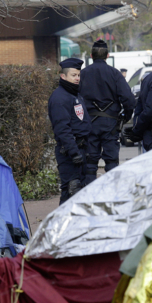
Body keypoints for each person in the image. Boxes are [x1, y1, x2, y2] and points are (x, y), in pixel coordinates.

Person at [80, 39, 135, 185]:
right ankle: (111, 194)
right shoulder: (115, 74)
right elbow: (128, 99)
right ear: (108, 55)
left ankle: (89, 196)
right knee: (111, 163)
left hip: (89, 123)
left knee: (90, 163)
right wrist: (125, 117)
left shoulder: (83, 74)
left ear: (91, 56)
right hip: (110, 123)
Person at [48, 57, 90, 205]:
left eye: (78, 75)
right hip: (69, 154)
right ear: (63, 76)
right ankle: (60, 227)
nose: (77, 78)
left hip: (80, 151)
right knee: (71, 194)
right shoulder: (60, 98)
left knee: (77, 195)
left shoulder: (75, 95)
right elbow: (62, 129)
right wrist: (74, 152)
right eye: (73, 75)